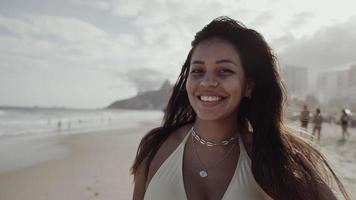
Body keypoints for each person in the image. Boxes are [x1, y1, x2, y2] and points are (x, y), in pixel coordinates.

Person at [131, 17, 349, 200]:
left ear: (248, 86)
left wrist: (318, 188)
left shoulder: (270, 158)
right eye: (197, 71)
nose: (207, 82)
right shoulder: (155, 147)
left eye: (224, 71)